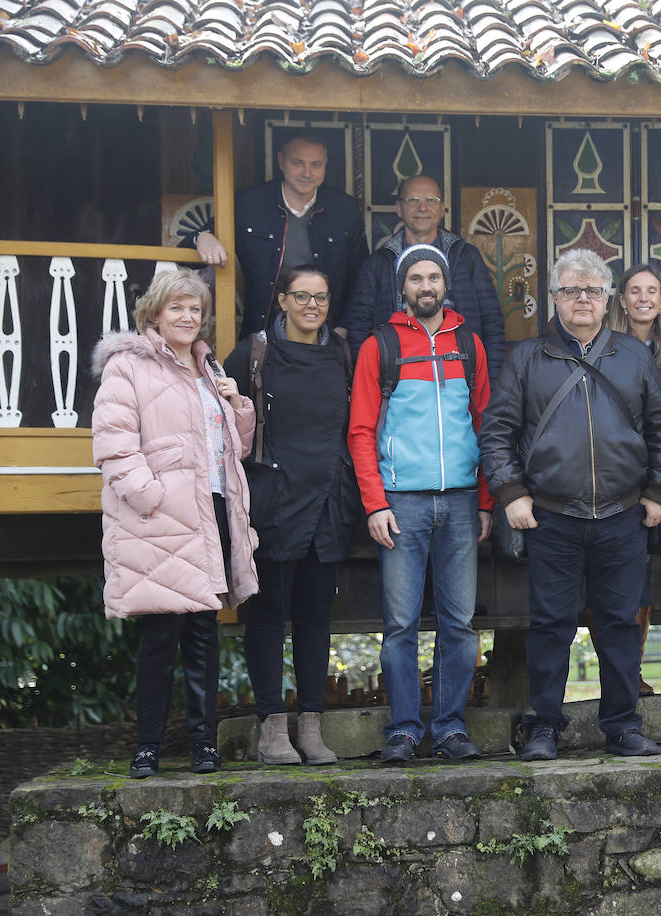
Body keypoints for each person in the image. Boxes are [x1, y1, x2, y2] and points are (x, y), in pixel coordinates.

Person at [480, 248, 661, 762]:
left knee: (619, 623)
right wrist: (511, 494)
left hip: (623, 515)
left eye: (592, 289)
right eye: (571, 290)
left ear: (607, 297)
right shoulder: (527, 358)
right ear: (555, 298)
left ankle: (622, 725)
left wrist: (659, 492)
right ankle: (544, 726)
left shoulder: (633, 357)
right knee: (550, 625)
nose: (582, 299)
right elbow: (497, 433)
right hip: (551, 515)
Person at [91, 269, 259, 778]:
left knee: (204, 634)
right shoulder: (129, 367)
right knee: (162, 635)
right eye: (177, 308)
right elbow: (114, 442)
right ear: (155, 314)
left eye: (195, 309)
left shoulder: (208, 368)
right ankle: (148, 748)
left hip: (210, 510)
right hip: (161, 517)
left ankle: (204, 745)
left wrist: (236, 404)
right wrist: (151, 497)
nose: (188, 317)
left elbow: (236, 449)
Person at [348, 244, 493, 765]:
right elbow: (361, 431)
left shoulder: (468, 346)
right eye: (415, 278)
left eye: (433, 277)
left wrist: (485, 500)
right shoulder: (379, 346)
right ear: (402, 287)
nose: (425, 286)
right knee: (400, 626)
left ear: (445, 284)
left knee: (459, 625)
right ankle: (405, 731)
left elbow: (485, 426)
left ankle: (451, 729)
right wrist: (374, 503)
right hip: (401, 503)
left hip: (459, 503)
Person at [223, 265, 361, 766]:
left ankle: (311, 726)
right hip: (273, 499)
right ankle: (271, 729)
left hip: (327, 499)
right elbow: (222, 422)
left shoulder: (344, 353)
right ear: (282, 300)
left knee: (314, 619)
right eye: (301, 296)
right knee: (266, 617)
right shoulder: (252, 352)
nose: (311, 306)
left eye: (321, 298)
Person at [597, 264, 661, 694]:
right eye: (635, 291)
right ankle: (616, 671)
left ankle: (631, 670)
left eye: (653, 291)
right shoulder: (603, 344)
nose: (644, 298)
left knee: (644, 576)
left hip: (658, 475)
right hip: (610, 471)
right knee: (610, 576)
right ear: (622, 299)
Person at [184, 132, 367, 336]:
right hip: (264, 332)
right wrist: (203, 237)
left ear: (326, 165)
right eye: (298, 163)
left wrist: (344, 326)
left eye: (316, 165)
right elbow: (185, 254)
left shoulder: (344, 209)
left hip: (326, 333)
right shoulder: (249, 204)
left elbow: (360, 276)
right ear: (281, 161)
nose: (307, 173)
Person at [345, 174, 507, 381]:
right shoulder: (379, 263)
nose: (423, 208)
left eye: (431, 200)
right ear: (399, 208)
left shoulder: (465, 256)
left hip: (462, 377)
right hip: (398, 380)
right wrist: (374, 382)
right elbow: (359, 328)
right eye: (413, 200)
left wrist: (489, 382)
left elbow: (492, 323)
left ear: (442, 209)